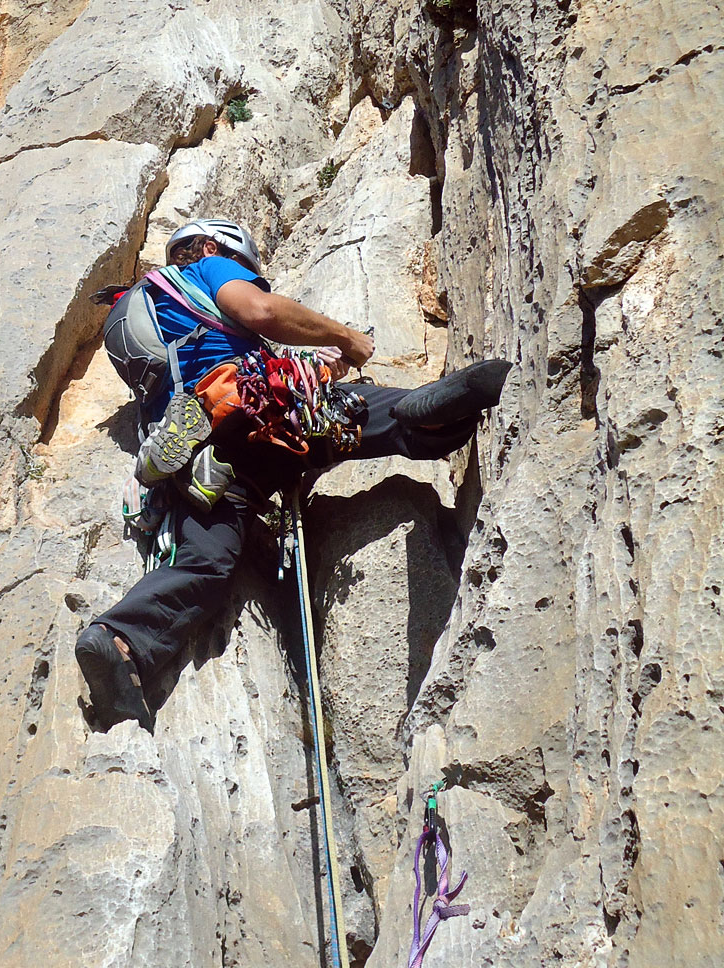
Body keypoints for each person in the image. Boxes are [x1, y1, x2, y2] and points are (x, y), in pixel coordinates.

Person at [75, 218, 511, 733]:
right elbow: (261, 311)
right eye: (245, 268)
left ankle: (118, 640)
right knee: (358, 416)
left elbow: (221, 351)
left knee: (205, 564)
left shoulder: (138, 314)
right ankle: (426, 410)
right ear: (213, 248)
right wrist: (346, 336)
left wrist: (315, 363)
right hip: (253, 411)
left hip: (203, 457)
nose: (246, 278)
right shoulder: (209, 267)